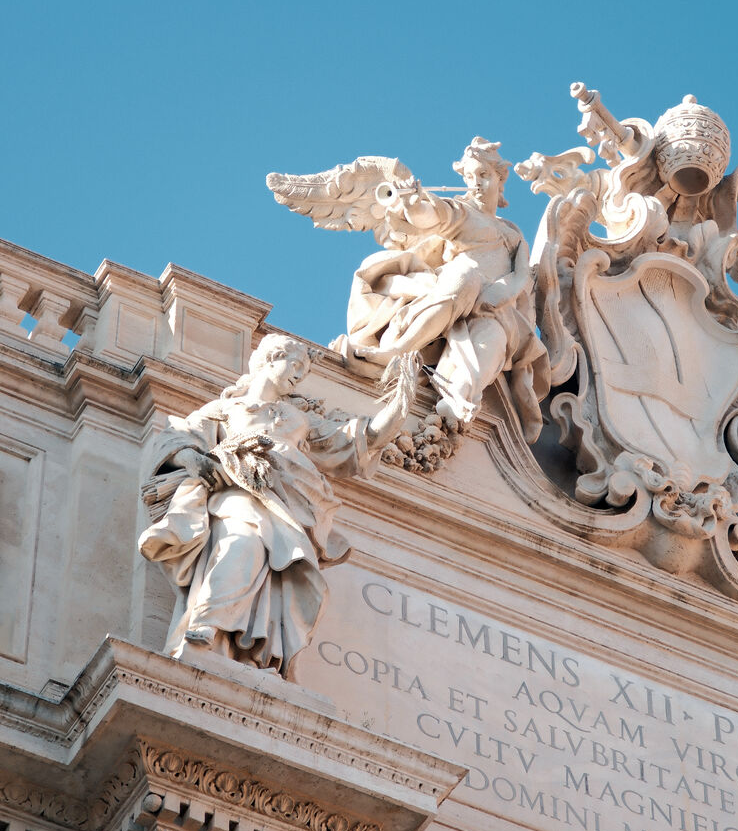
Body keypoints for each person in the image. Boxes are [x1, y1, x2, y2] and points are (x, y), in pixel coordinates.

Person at [139, 334, 416, 676]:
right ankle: (208, 626)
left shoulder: (299, 419)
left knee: (277, 568)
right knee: (241, 543)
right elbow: (175, 437)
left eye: (304, 370)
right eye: (295, 364)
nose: (298, 375)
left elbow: (360, 438)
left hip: (289, 505)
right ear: (270, 360)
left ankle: (258, 653)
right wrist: (196, 461)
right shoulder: (226, 410)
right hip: (240, 492)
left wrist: (402, 403)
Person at [334, 137, 549, 441]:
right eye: (471, 176)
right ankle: (396, 352)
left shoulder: (512, 232)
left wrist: (503, 292)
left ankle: (458, 400)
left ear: (500, 180)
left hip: (493, 306)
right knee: (465, 278)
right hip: (461, 287)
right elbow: (432, 215)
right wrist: (412, 201)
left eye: (484, 175)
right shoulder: (461, 212)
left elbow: (521, 274)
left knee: (495, 340)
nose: (477, 183)